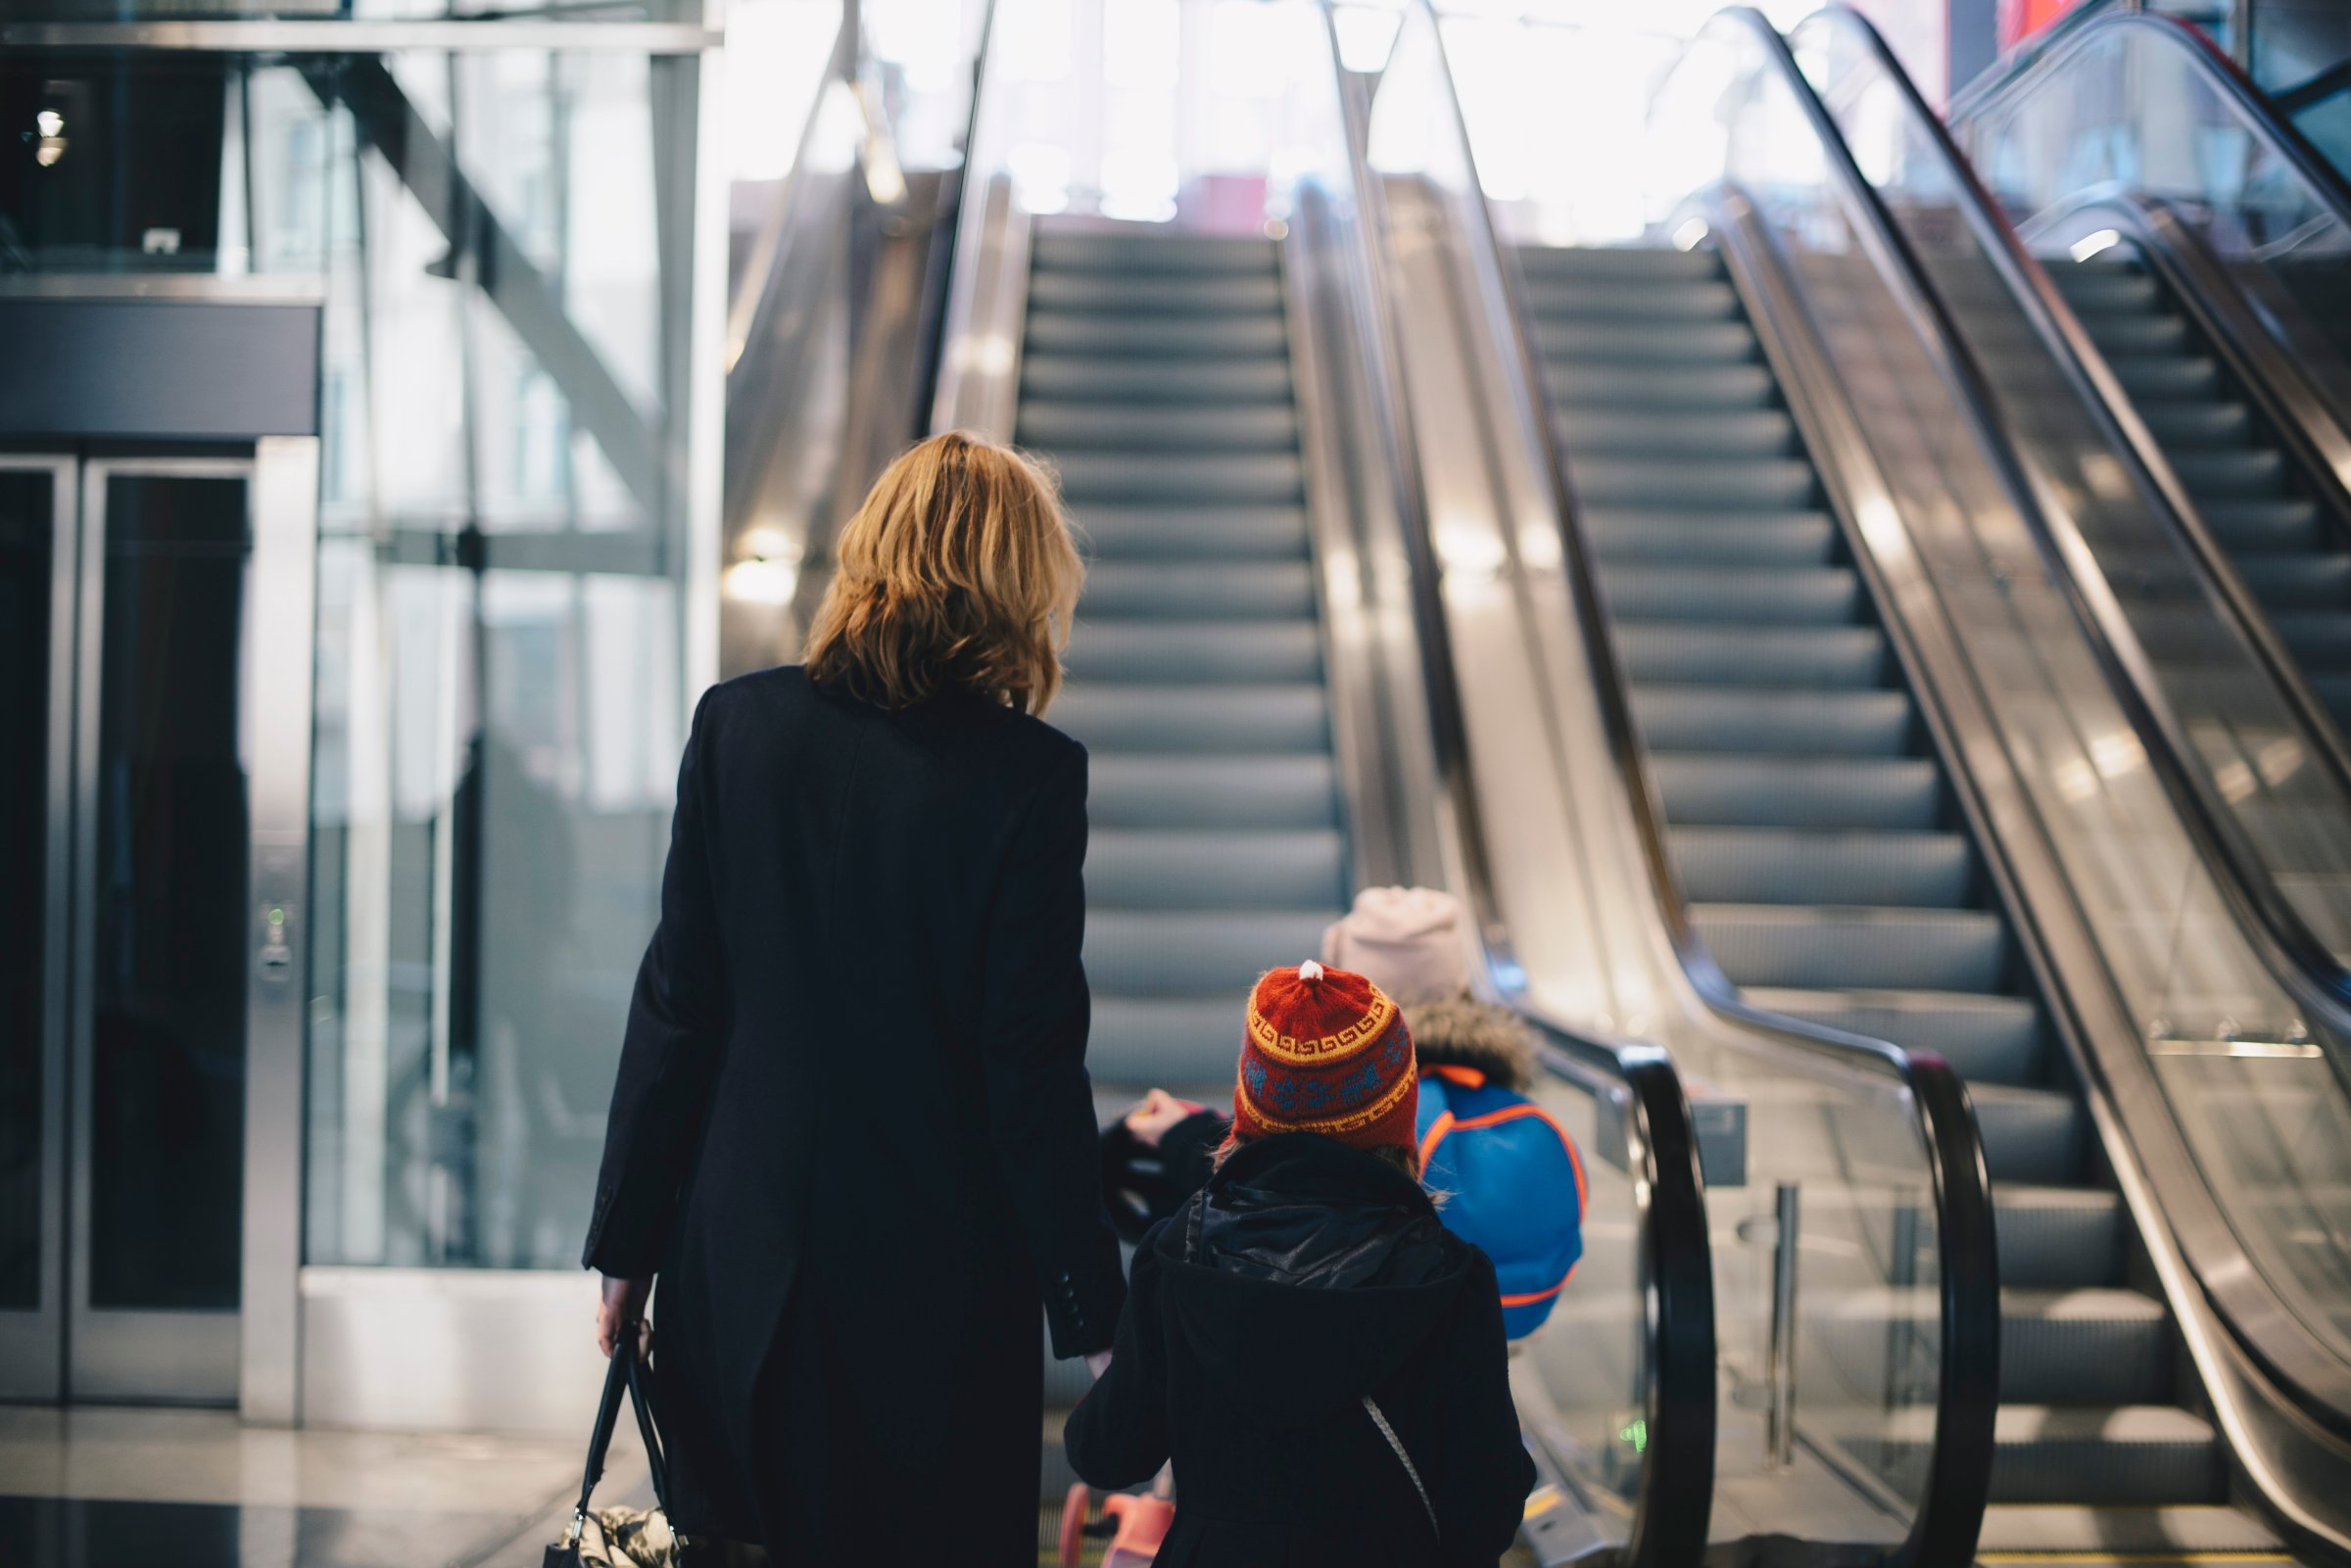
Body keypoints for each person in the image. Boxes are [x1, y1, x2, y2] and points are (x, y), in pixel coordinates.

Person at [582, 431, 1127, 1563]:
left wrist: (627, 1247)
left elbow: (680, 1003)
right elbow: (1027, 1066)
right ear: (1016, 584)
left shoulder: (738, 727)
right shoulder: (1028, 777)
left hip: (738, 1271)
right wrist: (1095, 1316)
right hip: (936, 1293)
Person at [1066, 961, 1535, 1566]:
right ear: (1396, 1115)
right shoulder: (1451, 1276)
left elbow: (1106, 1452)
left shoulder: (1180, 1255)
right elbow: (1489, 1505)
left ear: (1250, 1107)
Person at [1111, 886, 1585, 1339]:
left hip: (1387, 1323)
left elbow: (1304, 1198)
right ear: (1460, 986)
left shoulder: (1381, 1108)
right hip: (1514, 1314)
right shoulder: (1506, 1100)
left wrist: (1188, 1136)